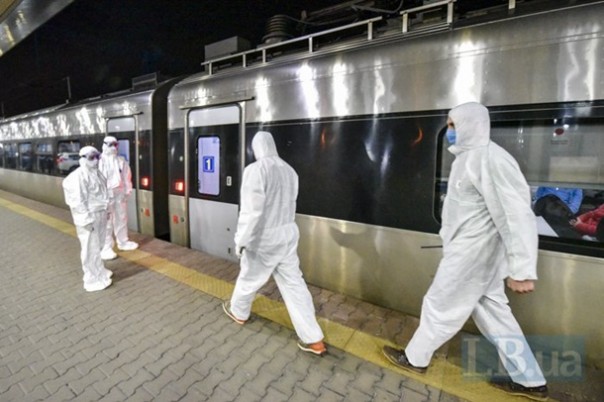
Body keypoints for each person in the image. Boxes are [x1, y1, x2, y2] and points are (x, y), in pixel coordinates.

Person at [382, 103, 548, 401]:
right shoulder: (467, 159)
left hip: (472, 256)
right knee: (496, 317)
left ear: (471, 124)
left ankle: (415, 358)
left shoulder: (492, 160)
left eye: (453, 125)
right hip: (471, 254)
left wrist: (522, 269)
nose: (449, 131)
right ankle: (531, 381)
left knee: (438, 305)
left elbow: (516, 216)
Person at [223, 131, 327, 356]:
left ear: (256, 148)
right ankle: (314, 339)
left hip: (264, 238)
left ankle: (238, 312)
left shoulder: (255, 170)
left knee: (249, 279)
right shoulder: (290, 171)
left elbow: (251, 212)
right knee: (294, 284)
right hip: (287, 234)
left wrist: (240, 240)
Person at [62, 146, 113, 292]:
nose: (95, 161)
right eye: (91, 157)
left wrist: (107, 211)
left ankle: (99, 270)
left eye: (97, 157)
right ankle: (91, 278)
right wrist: (85, 220)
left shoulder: (98, 174)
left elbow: (104, 193)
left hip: (100, 213)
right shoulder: (77, 177)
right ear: (83, 159)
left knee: (99, 244)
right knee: (90, 248)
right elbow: (77, 201)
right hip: (89, 216)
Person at [98, 136, 138, 260]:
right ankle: (106, 247)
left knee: (121, 218)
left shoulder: (121, 161)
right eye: (110, 144)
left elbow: (126, 177)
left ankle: (123, 241)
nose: (113, 147)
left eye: (115, 144)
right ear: (104, 145)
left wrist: (127, 191)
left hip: (119, 194)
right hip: (105, 195)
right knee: (106, 222)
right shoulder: (98, 162)